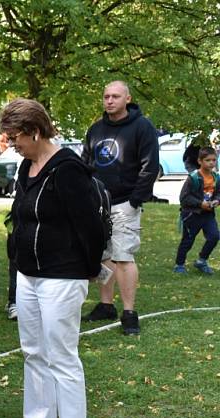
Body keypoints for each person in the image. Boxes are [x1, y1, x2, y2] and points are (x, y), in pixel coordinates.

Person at [0, 98, 104, 418]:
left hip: (63, 275)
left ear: (36, 131)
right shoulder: (26, 166)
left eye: (15, 137)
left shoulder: (68, 169)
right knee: (33, 351)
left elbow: (90, 225)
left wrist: (89, 269)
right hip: (29, 274)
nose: (11, 143)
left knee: (61, 355)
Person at [82, 81, 159, 335]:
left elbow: (150, 166)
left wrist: (136, 200)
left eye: (115, 96)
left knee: (123, 256)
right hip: (97, 203)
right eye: (106, 96)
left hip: (126, 202)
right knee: (103, 256)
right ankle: (106, 305)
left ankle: (129, 313)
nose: (109, 100)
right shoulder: (95, 130)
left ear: (128, 98)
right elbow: (86, 164)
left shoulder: (142, 127)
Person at [174, 147, 220, 274]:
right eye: (208, 160)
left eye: (214, 160)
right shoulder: (193, 178)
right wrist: (200, 204)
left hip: (208, 215)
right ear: (200, 161)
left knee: (214, 236)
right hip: (192, 214)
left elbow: (218, 193)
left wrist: (216, 200)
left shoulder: (216, 177)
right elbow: (184, 198)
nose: (211, 163)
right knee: (188, 240)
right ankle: (179, 264)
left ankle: (202, 260)